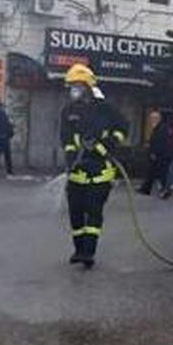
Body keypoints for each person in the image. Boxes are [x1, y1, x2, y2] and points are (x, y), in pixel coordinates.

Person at [60, 64, 127, 269]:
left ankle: (89, 252)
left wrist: (108, 144)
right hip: (77, 172)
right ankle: (79, 249)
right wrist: (71, 158)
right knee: (76, 213)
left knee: (94, 212)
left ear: (87, 87)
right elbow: (66, 138)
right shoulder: (69, 111)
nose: (74, 91)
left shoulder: (105, 108)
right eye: (71, 87)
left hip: (100, 171)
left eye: (77, 86)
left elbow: (123, 128)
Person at [140, 111, 170, 195]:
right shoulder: (158, 128)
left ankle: (163, 189)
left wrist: (154, 152)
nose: (150, 120)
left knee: (160, 173)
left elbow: (160, 142)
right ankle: (146, 188)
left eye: (152, 118)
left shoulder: (161, 128)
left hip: (160, 155)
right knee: (151, 172)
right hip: (158, 154)